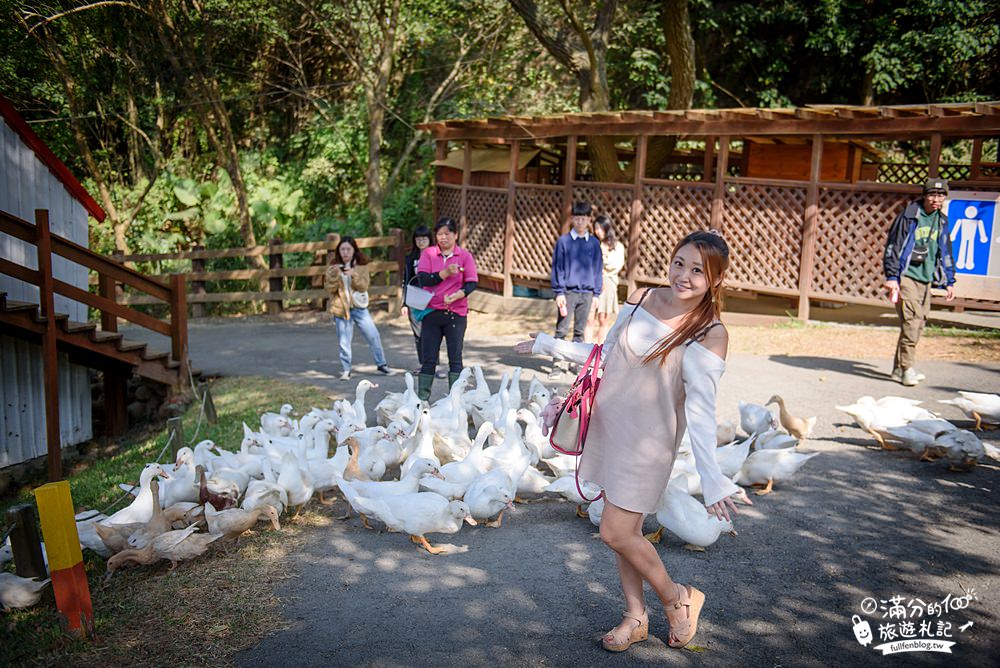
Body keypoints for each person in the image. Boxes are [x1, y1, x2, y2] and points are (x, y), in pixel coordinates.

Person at [515, 230, 749, 653]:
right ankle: (635, 617)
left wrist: (712, 479)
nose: (684, 276)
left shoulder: (711, 333)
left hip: (649, 445)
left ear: (715, 279)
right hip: (609, 427)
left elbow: (699, 412)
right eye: (679, 263)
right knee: (629, 532)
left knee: (614, 531)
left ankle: (678, 598)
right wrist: (548, 344)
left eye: (698, 270)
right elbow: (604, 354)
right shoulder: (641, 297)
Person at [883, 178, 956, 386]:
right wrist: (891, 277)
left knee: (919, 322)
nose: (936, 199)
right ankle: (907, 368)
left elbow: (946, 251)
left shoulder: (941, 221)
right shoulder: (909, 216)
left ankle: (898, 369)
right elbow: (893, 247)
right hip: (906, 276)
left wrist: (949, 280)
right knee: (912, 321)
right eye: (932, 195)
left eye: (940, 195)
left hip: (926, 279)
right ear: (924, 195)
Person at [415, 217, 479, 400]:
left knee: (455, 359)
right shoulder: (428, 253)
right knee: (428, 359)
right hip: (431, 312)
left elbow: (472, 283)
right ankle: (422, 401)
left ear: (455, 235)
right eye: (439, 234)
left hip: (456, 313)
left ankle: (455, 401)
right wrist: (445, 273)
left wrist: (458, 295)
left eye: (447, 233)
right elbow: (423, 279)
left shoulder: (464, 256)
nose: (443, 238)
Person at [324, 236, 393, 380]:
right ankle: (346, 369)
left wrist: (353, 274)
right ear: (338, 251)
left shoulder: (362, 267)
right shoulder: (333, 267)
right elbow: (329, 288)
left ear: (354, 250)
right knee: (344, 340)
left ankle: (382, 364)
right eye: (342, 249)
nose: (345, 252)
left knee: (373, 335)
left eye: (348, 249)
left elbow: (363, 286)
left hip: (359, 307)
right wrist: (336, 276)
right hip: (341, 308)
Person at [550, 201, 603, 375]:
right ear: (572, 219)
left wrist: (596, 293)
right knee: (562, 329)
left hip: (587, 293)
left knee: (580, 331)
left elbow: (597, 268)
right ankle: (557, 364)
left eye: (584, 218)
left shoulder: (594, 243)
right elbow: (557, 267)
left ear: (589, 220)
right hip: (568, 292)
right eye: (577, 218)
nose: (580, 222)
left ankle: (575, 363)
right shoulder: (564, 241)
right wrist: (559, 292)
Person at [585, 214, 626, 343]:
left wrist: (601, 264)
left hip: (609, 282)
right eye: (596, 228)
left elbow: (616, 265)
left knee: (603, 318)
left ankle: (599, 348)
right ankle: (586, 347)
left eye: (601, 228)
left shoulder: (617, 246)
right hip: (592, 281)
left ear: (607, 228)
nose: (598, 231)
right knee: (589, 317)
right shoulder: (591, 243)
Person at [401, 225, 432, 374]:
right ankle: (423, 363)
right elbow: (406, 280)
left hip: (432, 298)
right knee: (418, 333)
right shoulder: (410, 258)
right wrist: (404, 303)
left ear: (429, 239)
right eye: (418, 239)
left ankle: (433, 364)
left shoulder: (436, 257)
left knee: (432, 332)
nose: (421, 242)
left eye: (424, 239)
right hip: (414, 298)